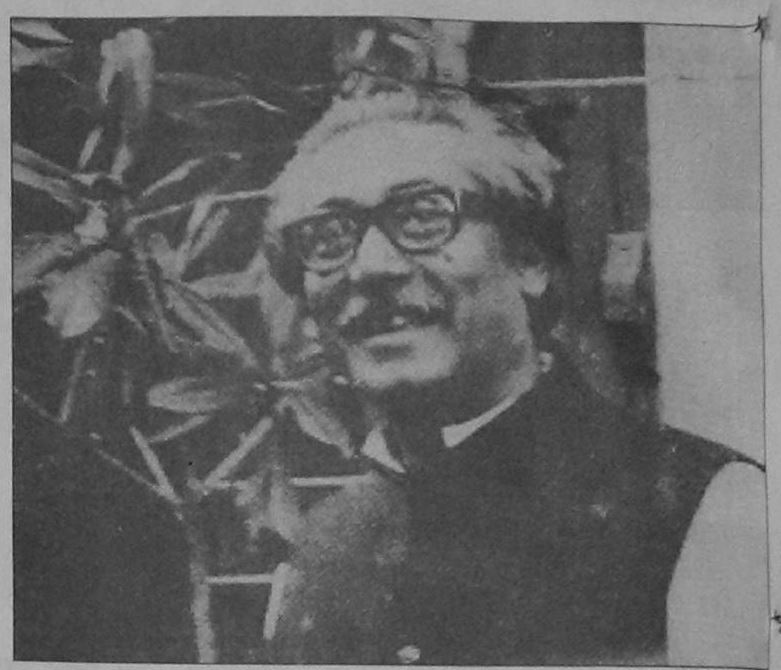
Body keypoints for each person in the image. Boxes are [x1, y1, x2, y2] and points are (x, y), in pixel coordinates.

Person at [261, 85, 767, 665]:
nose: (371, 267)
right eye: (330, 236)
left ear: (528, 258)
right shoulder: (327, 545)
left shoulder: (702, 513)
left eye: (423, 216)